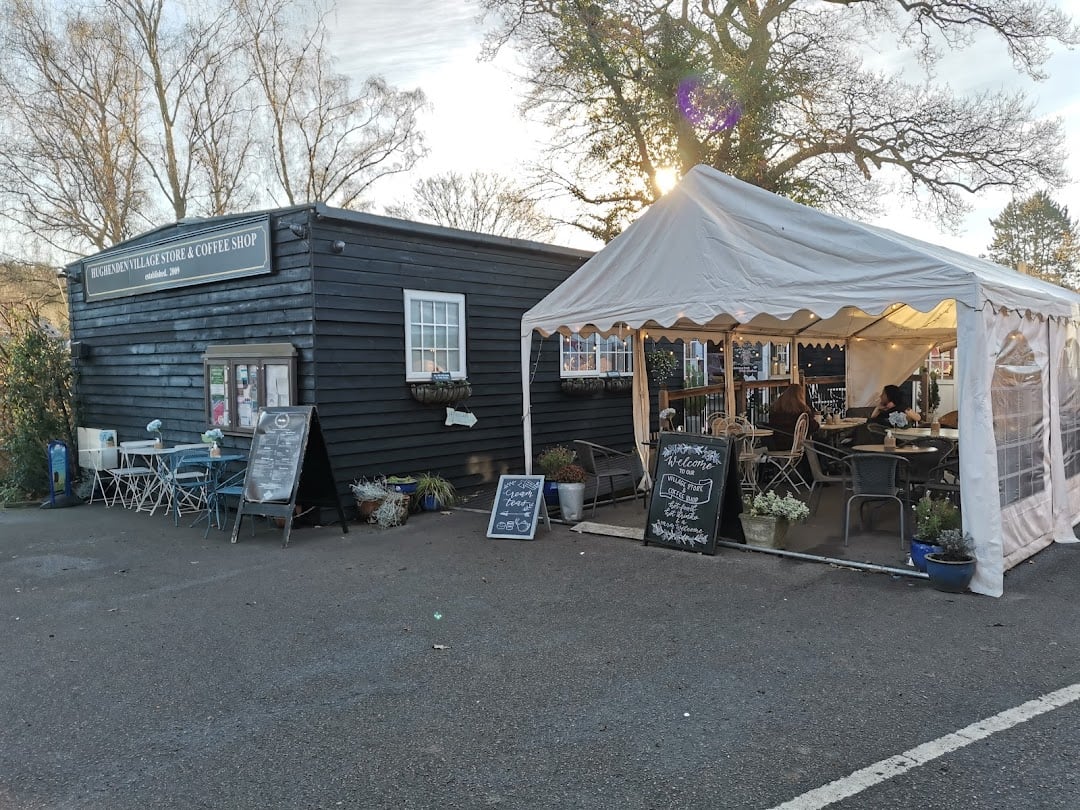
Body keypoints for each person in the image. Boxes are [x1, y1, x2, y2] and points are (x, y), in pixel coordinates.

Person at [764, 383, 821, 451]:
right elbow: (814, 427)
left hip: (776, 445)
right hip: (795, 445)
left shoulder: (775, 409)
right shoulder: (801, 410)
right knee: (821, 443)